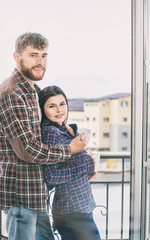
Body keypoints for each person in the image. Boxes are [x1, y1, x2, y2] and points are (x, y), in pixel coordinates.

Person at [0, 32, 87, 240]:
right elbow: (28, 149)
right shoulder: (12, 94)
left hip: (34, 192)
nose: (40, 61)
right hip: (20, 193)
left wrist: (82, 161)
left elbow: (49, 129)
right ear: (17, 57)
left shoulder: (32, 90)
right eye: (33, 55)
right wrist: (70, 150)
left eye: (44, 55)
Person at [38, 85, 101, 240]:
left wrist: (87, 172)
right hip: (72, 211)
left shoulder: (63, 129)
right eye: (52, 106)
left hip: (79, 209)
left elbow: (67, 166)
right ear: (43, 109)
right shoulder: (51, 133)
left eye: (62, 104)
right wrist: (88, 164)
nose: (59, 110)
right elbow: (52, 175)